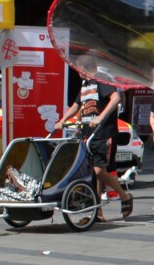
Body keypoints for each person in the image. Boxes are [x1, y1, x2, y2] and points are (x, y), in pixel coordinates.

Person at [56, 55, 133, 219]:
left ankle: (124, 196)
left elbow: (116, 98)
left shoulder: (101, 79)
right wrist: (63, 120)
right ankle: (98, 212)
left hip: (102, 132)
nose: (77, 73)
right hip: (87, 134)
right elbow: (77, 105)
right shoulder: (85, 85)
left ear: (83, 68)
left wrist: (100, 117)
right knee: (93, 173)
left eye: (77, 69)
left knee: (98, 171)